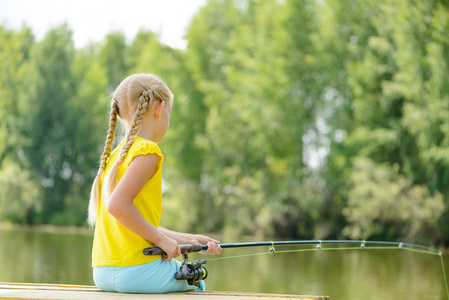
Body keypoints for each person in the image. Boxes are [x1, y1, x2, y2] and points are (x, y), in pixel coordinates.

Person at [88, 73, 222, 294]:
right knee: (197, 282)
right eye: (169, 111)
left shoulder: (114, 158)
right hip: (136, 271)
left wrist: (191, 239)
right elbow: (117, 206)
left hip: (102, 273)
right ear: (159, 109)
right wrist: (161, 240)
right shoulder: (147, 151)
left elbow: (136, 222)